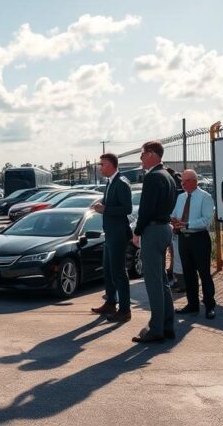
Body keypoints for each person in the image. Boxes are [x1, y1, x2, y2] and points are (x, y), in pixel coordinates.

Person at [132, 140, 177, 343]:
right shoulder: (168, 175)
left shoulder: (152, 177)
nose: (140, 159)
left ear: (151, 154)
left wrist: (137, 231)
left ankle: (156, 328)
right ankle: (168, 325)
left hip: (153, 229)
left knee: (153, 283)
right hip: (165, 229)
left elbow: (146, 210)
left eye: (142, 154)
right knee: (163, 281)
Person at [90, 153, 133, 322]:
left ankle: (125, 310)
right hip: (110, 234)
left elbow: (127, 209)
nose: (100, 167)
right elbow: (111, 202)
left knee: (118, 272)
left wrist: (105, 209)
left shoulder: (121, 182)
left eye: (103, 164)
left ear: (112, 165)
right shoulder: (110, 182)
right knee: (108, 271)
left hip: (118, 235)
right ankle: (110, 302)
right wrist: (101, 203)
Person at [171, 169, 216, 319]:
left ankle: (209, 305)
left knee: (204, 273)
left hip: (199, 239)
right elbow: (175, 215)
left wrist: (187, 224)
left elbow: (206, 220)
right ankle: (192, 304)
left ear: (194, 181)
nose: (182, 184)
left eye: (185, 181)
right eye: (182, 181)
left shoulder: (205, 197)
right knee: (188, 273)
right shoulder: (181, 197)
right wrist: (175, 222)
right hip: (184, 239)